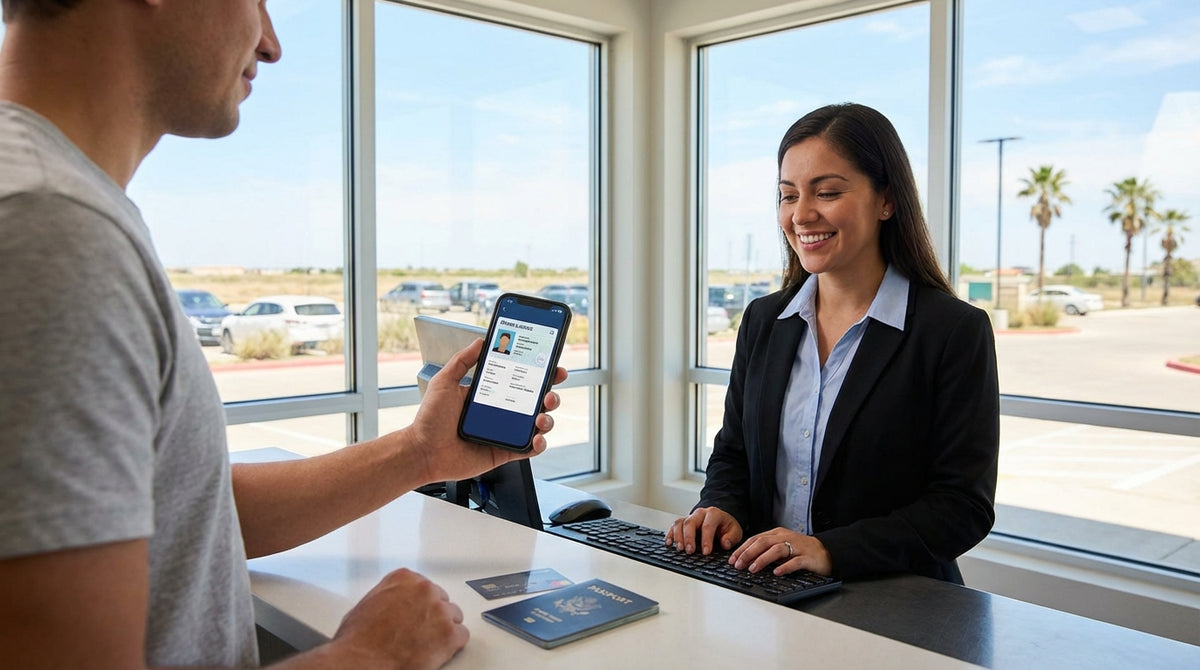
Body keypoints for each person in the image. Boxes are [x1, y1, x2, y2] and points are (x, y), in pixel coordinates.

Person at [0, 3, 567, 669]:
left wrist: (420, 454)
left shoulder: (49, 206)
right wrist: (371, 655)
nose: (270, 44)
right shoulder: (49, 230)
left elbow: (188, 512)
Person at [666, 103, 999, 585]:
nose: (801, 214)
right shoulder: (764, 320)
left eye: (827, 192)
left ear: (886, 200)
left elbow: (962, 505)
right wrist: (721, 507)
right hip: (770, 593)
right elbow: (734, 453)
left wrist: (831, 551)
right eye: (787, 195)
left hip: (895, 605)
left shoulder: (952, 331)